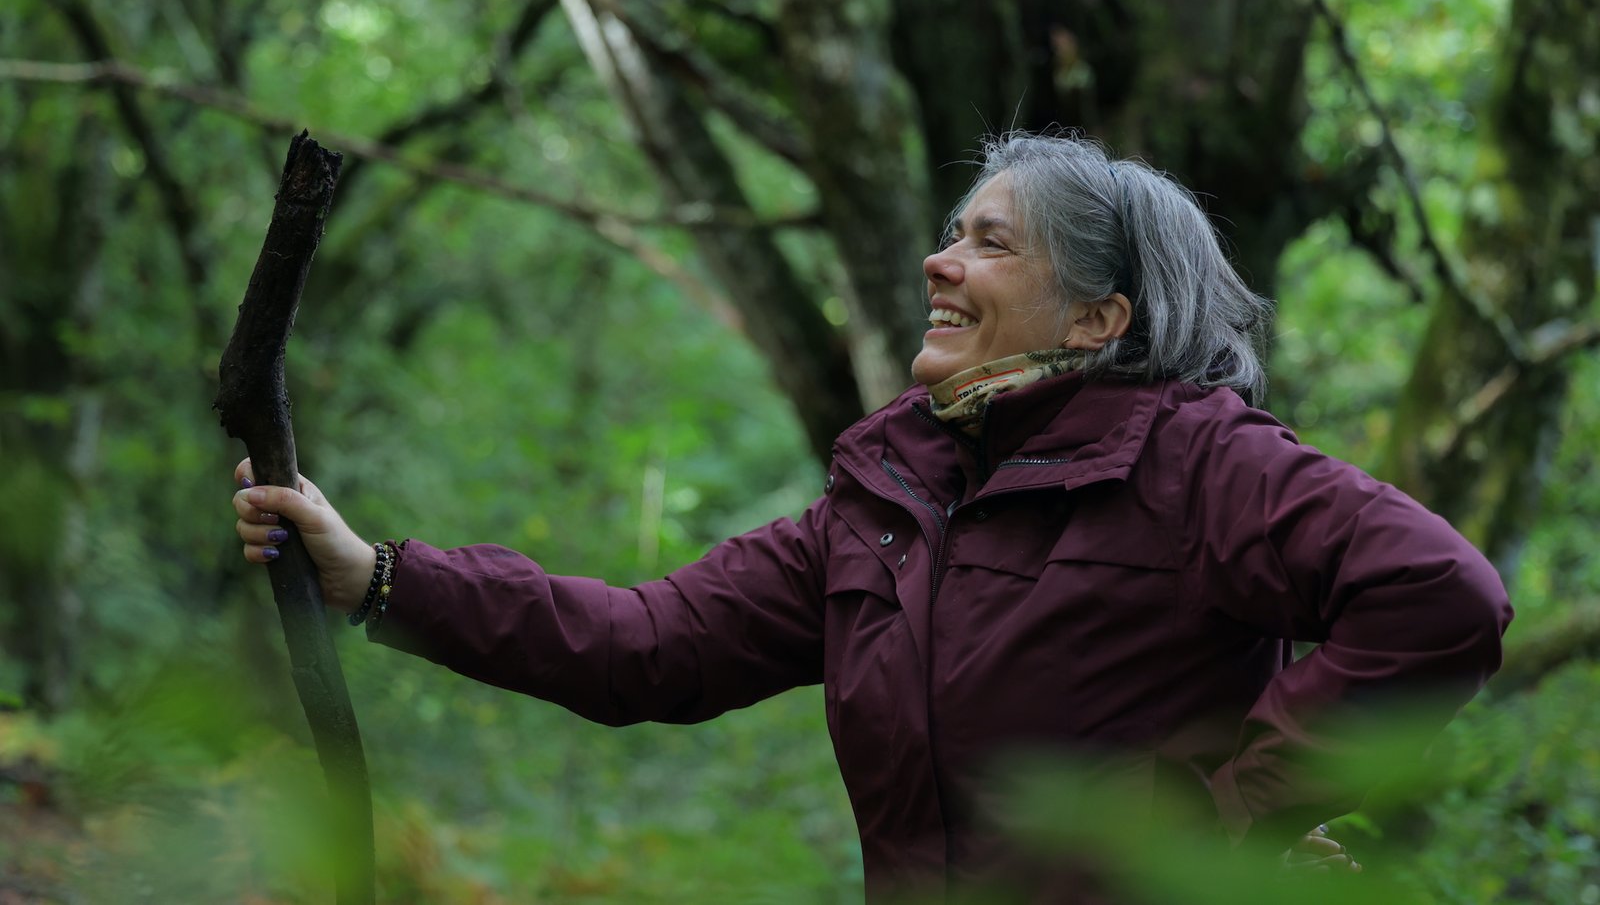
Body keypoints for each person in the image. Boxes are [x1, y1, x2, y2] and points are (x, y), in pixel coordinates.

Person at [232, 132, 1511, 902]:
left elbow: (1439, 595)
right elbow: (645, 644)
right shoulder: (894, 497)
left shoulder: (1196, 460)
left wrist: (1232, 813)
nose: (937, 263)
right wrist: (381, 575)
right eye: (950, 235)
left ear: (1096, 317)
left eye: (990, 245)